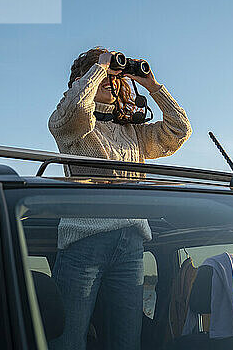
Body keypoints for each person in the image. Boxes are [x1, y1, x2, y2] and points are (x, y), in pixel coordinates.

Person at [47, 47, 192, 350]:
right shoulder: (73, 126)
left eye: (113, 79)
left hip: (131, 247)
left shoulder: (134, 133)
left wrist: (152, 85)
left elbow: (179, 130)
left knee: (126, 344)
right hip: (84, 244)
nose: (109, 82)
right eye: (102, 78)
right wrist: (99, 68)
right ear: (84, 80)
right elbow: (76, 110)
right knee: (68, 342)